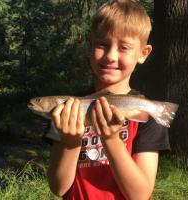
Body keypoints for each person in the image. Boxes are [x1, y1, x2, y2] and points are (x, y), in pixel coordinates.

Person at [47, 0, 170, 199]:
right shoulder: (66, 110)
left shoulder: (149, 113)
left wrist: (111, 139)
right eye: (102, 45)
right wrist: (70, 142)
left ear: (143, 53)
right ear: (90, 45)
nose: (111, 56)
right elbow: (58, 188)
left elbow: (140, 195)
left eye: (124, 48)